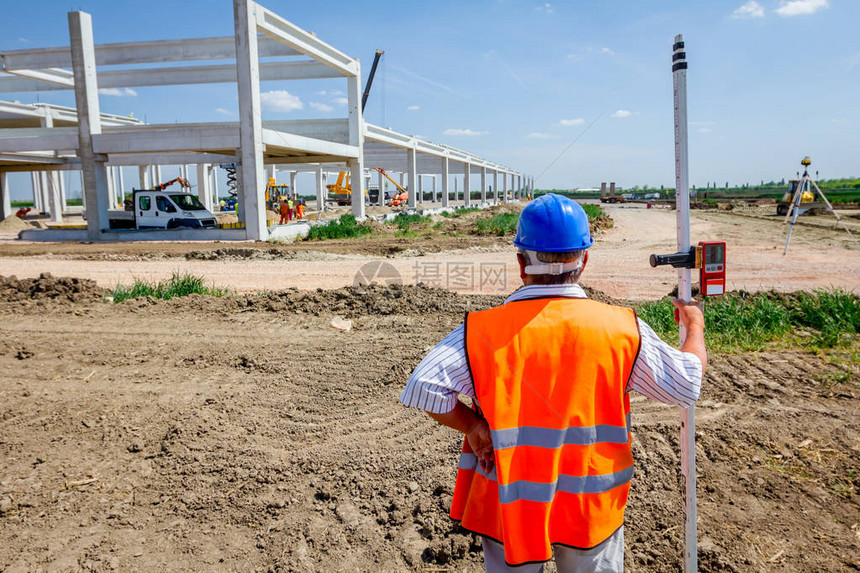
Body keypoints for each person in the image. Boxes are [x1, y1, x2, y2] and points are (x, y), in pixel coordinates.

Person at [400, 194, 706, 572]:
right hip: (589, 503)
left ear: (520, 262)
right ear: (584, 260)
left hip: (510, 501)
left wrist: (473, 426)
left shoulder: (482, 330)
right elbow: (686, 385)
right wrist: (694, 327)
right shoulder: (621, 328)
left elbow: (423, 386)